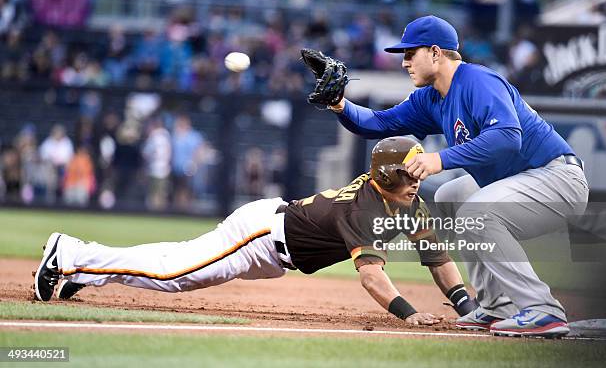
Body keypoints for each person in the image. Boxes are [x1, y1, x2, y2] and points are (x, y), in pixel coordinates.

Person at [319, 15, 589, 338]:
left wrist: (439, 159)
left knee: (478, 211)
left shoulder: (477, 81)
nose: (404, 62)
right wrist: (339, 104)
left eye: (410, 53)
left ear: (435, 53)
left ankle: (543, 309)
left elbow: (507, 137)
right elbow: (378, 122)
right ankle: (495, 305)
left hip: (557, 177)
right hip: (521, 178)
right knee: (451, 196)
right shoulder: (432, 97)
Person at [34, 137, 477, 326]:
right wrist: (408, 313)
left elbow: (438, 259)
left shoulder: (408, 203)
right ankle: (70, 253)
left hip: (273, 249)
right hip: (262, 235)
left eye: (416, 171)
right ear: (384, 176)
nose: (415, 178)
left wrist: (466, 305)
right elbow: (371, 275)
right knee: (173, 273)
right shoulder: (366, 207)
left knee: (177, 264)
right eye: (407, 172)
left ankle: (85, 270)